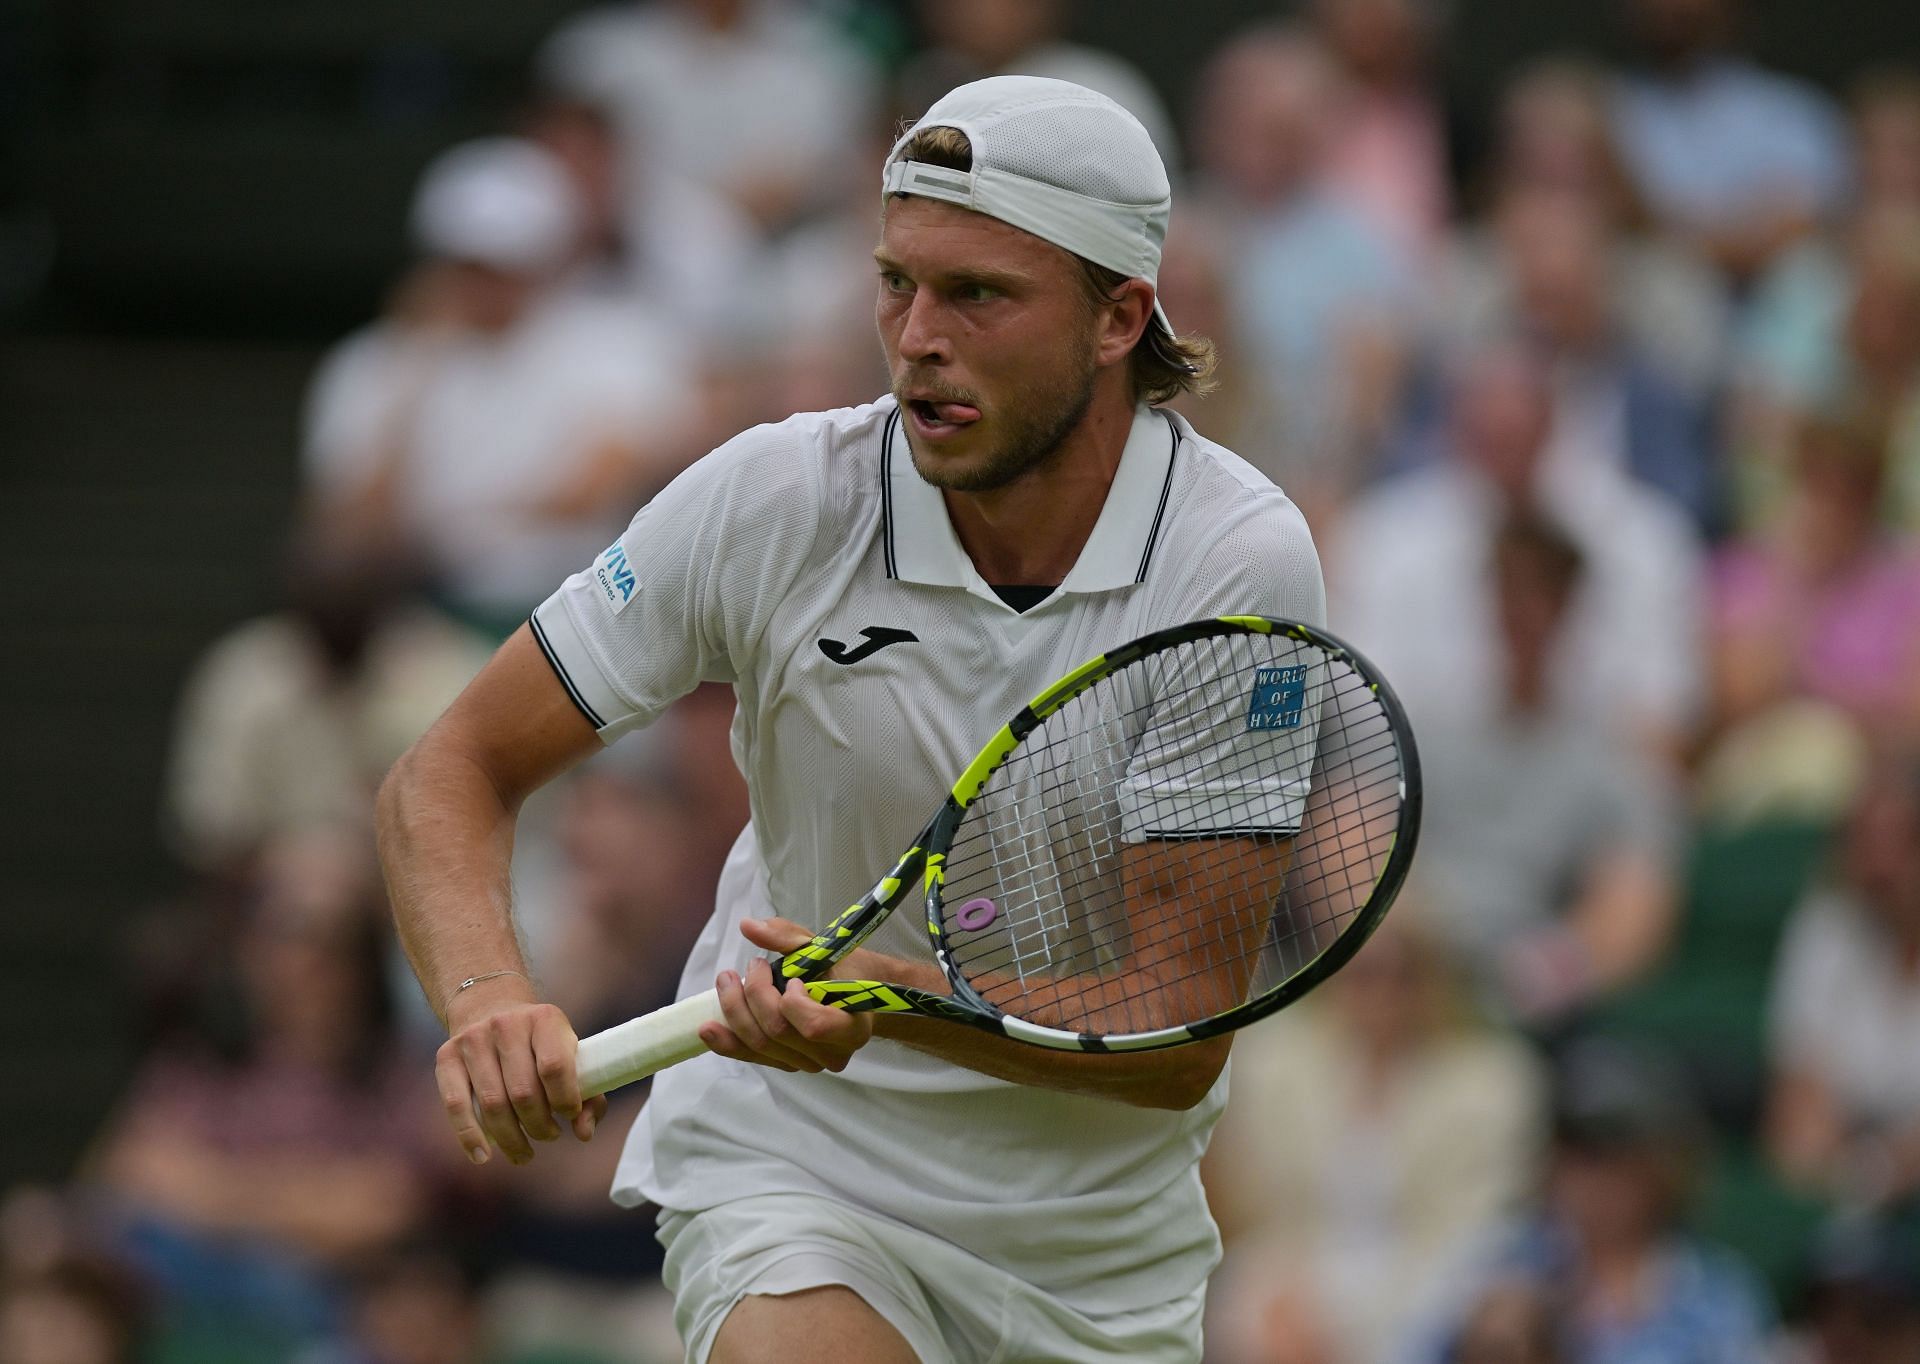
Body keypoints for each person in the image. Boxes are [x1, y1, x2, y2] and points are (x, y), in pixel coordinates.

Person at [376, 76, 1326, 1364]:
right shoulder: (775, 497)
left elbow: (1178, 1042)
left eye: (978, 294)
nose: (916, 335)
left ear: (1120, 318)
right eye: (896, 283)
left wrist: (905, 1003)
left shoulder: (1237, 559)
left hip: (1095, 1259)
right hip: (794, 1175)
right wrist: (490, 998)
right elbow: (452, 771)